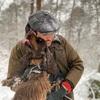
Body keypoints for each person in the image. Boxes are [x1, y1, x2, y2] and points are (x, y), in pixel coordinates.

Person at [2, 11, 84, 100]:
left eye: (52, 33)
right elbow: (12, 81)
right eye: (45, 34)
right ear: (33, 32)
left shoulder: (61, 42)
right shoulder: (20, 49)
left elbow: (78, 64)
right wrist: (31, 87)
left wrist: (64, 88)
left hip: (62, 96)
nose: (50, 38)